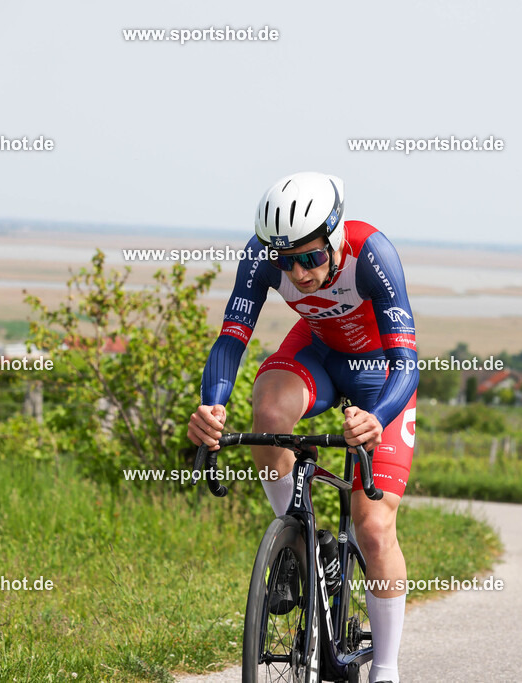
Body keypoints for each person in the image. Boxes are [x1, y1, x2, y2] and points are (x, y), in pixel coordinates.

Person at [188, 171, 418, 683]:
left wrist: (377, 418)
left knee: (374, 528)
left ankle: (385, 668)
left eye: (311, 257)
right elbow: (232, 339)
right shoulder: (261, 255)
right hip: (317, 354)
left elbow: (408, 360)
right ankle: (300, 543)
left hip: (381, 375)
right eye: (286, 260)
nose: (300, 271)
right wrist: (211, 406)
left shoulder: (372, 253)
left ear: (335, 240)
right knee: (268, 416)